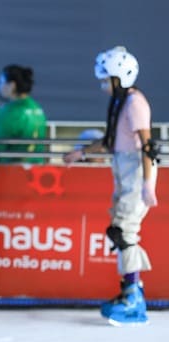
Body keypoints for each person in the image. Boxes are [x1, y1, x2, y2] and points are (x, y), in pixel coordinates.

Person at [64, 46, 158, 326]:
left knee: (124, 232)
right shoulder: (120, 102)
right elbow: (110, 141)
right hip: (123, 169)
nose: (104, 85)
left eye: (107, 80)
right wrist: (81, 153)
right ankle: (130, 290)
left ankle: (134, 298)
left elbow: (147, 146)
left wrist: (148, 184)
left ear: (120, 77)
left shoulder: (135, 103)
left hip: (135, 172)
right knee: (119, 231)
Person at [0, 64, 47, 162]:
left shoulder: (11, 110)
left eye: (1, 82)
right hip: (37, 165)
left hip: (12, 167)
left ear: (12, 85)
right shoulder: (36, 108)